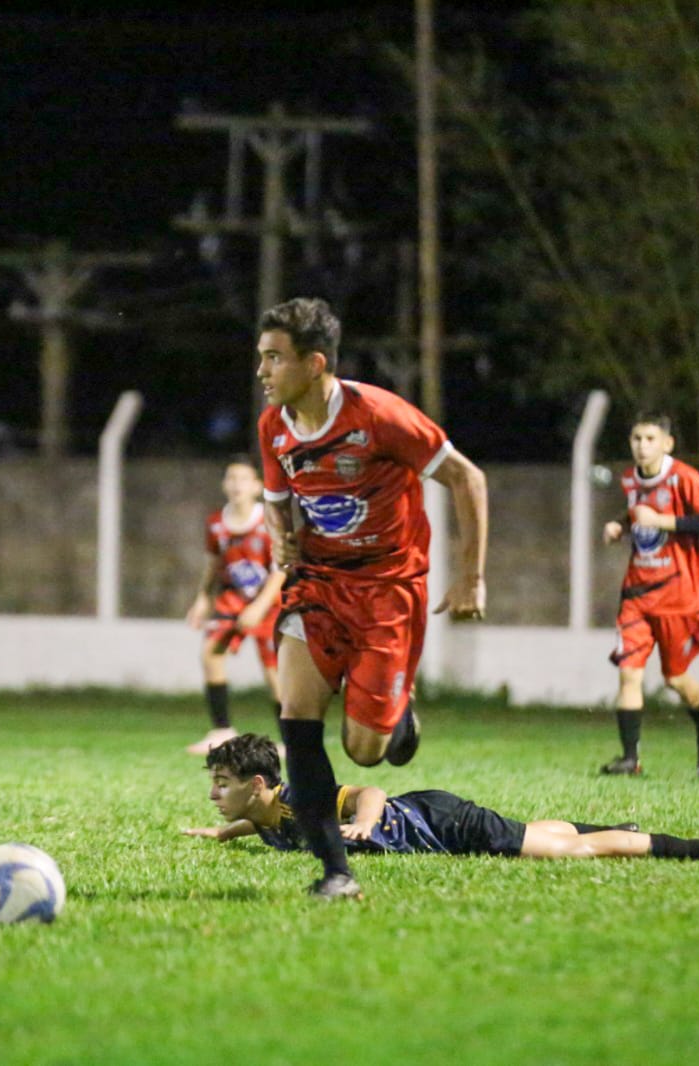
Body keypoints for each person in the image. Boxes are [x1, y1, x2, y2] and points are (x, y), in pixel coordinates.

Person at [255, 297, 488, 899]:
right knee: (296, 719)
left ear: (315, 364)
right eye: (261, 358)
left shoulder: (379, 415)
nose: (263, 371)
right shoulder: (273, 426)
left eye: (275, 358)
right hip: (321, 583)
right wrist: (284, 540)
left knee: (365, 753)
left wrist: (471, 576)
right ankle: (337, 872)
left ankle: (397, 714)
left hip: (388, 589)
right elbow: (278, 496)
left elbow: (467, 477)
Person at [183, 734, 699, 866]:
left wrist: (362, 823)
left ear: (257, 785)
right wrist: (218, 833)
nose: (214, 793)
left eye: (223, 784)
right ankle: (614, 823)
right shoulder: (265, 816)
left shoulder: (303, 798)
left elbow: (370, 789)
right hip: (437, 812)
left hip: (444, 824)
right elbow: (266, 830)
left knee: (570, 852)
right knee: (533, 828)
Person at [600, 413, 699, 778]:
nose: (642, 445)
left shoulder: (685, 477)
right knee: (629, 674)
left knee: (675, 679)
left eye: (650, 439)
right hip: (637, 593)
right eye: (636, 438)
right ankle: (629, 759)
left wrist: (663, 522)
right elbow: (637, 514)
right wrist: (619, 525)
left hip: (678, 595)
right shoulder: (629, 478)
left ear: (667, 443)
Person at [183, 456, 285, 755]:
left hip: (268, 603)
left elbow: (282, 568)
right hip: (232, 599)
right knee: (211, 653)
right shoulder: (217, 523)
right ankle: (222, 730)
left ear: (257, 486)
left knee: (275, 672)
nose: (236, 484)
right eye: (231, 478)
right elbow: (214, 563)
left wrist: (259, 607)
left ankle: (288, 739)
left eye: (243, 479)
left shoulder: (270, 520)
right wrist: (203, 597)